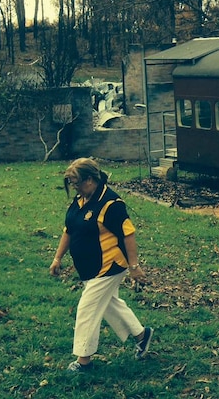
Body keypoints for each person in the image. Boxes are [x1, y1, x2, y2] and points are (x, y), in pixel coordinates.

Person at [49, 157, 154, 372]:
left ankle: (83, 361)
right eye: (71, 183)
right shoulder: (80, 200)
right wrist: (57, 258)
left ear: (89, 179)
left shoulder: (111, 203)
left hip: (109, 266)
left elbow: (128, 234)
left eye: (76, 182)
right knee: (108, 303)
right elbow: (68, 230)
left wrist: (134, 267)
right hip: (89, 268)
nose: (74, 187)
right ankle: (142, 335)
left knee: (87, 309)